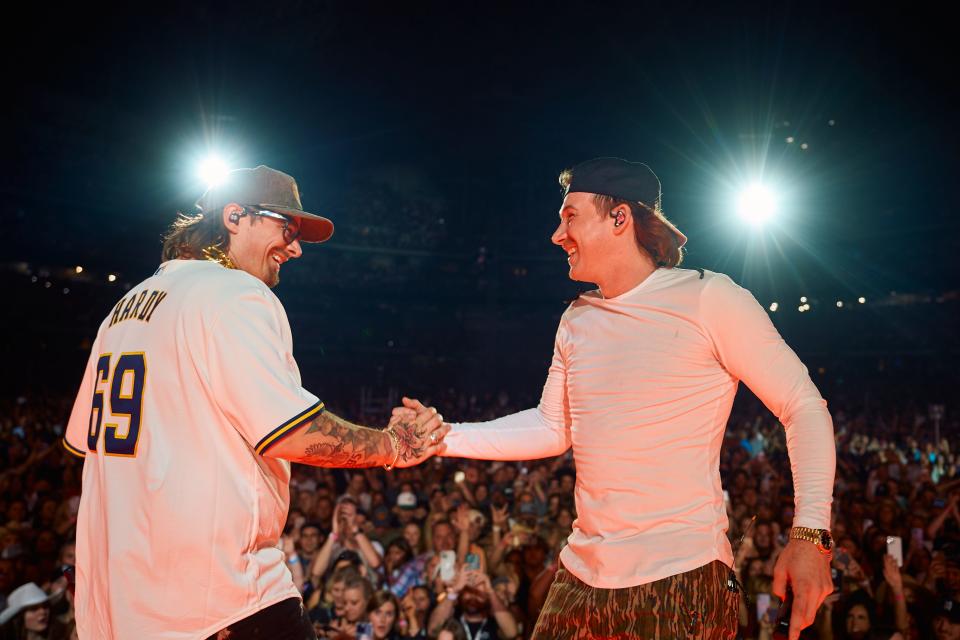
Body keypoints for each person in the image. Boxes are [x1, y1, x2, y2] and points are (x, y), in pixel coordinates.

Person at [406, 157, 835, 639]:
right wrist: (442, 437)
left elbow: (803, 406)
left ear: (620, 218)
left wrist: (810, 534)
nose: (556, 235)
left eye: (570, 216)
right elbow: (552, 428)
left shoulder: (708, 297)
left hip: (681, 577)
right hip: (580, 577)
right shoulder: (577, 319)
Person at [62, 165, 449, 639]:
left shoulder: (124, 308)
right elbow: (293, 431)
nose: (296, 247)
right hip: (219, 599)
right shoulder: (235, 292)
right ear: (234, 217)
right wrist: (393, 446)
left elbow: (85, 449)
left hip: (118, 606)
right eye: (286, 229)